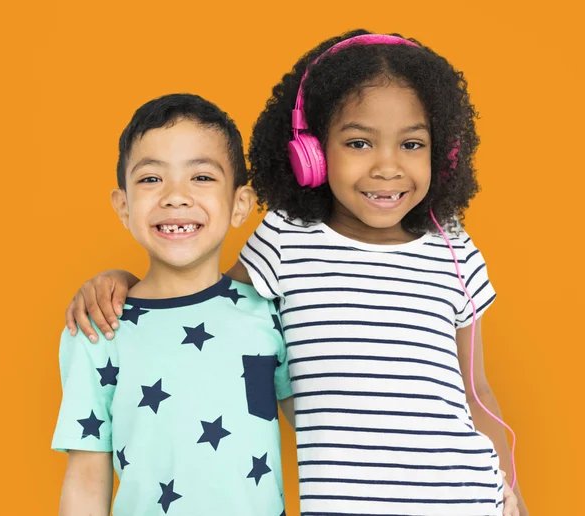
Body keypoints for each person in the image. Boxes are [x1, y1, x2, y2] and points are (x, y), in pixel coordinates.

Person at [65, 31, 526, 515]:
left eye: (412, 143)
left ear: (443, 154)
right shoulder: (287, 237)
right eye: (359, 142)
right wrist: (124, 283)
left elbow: (479, 392)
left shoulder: (453, 247)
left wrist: (516, 496)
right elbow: (203, 298)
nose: (387, 167)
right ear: (312, 152)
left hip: (468, 500)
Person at [52, 93, 294, 515]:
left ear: (240, 205)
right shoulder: (98, 328)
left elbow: (323, 426)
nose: (175, 196)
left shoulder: (270, 314)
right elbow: (87, 478)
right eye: (151, 179)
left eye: (201, 177)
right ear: (123, 207)